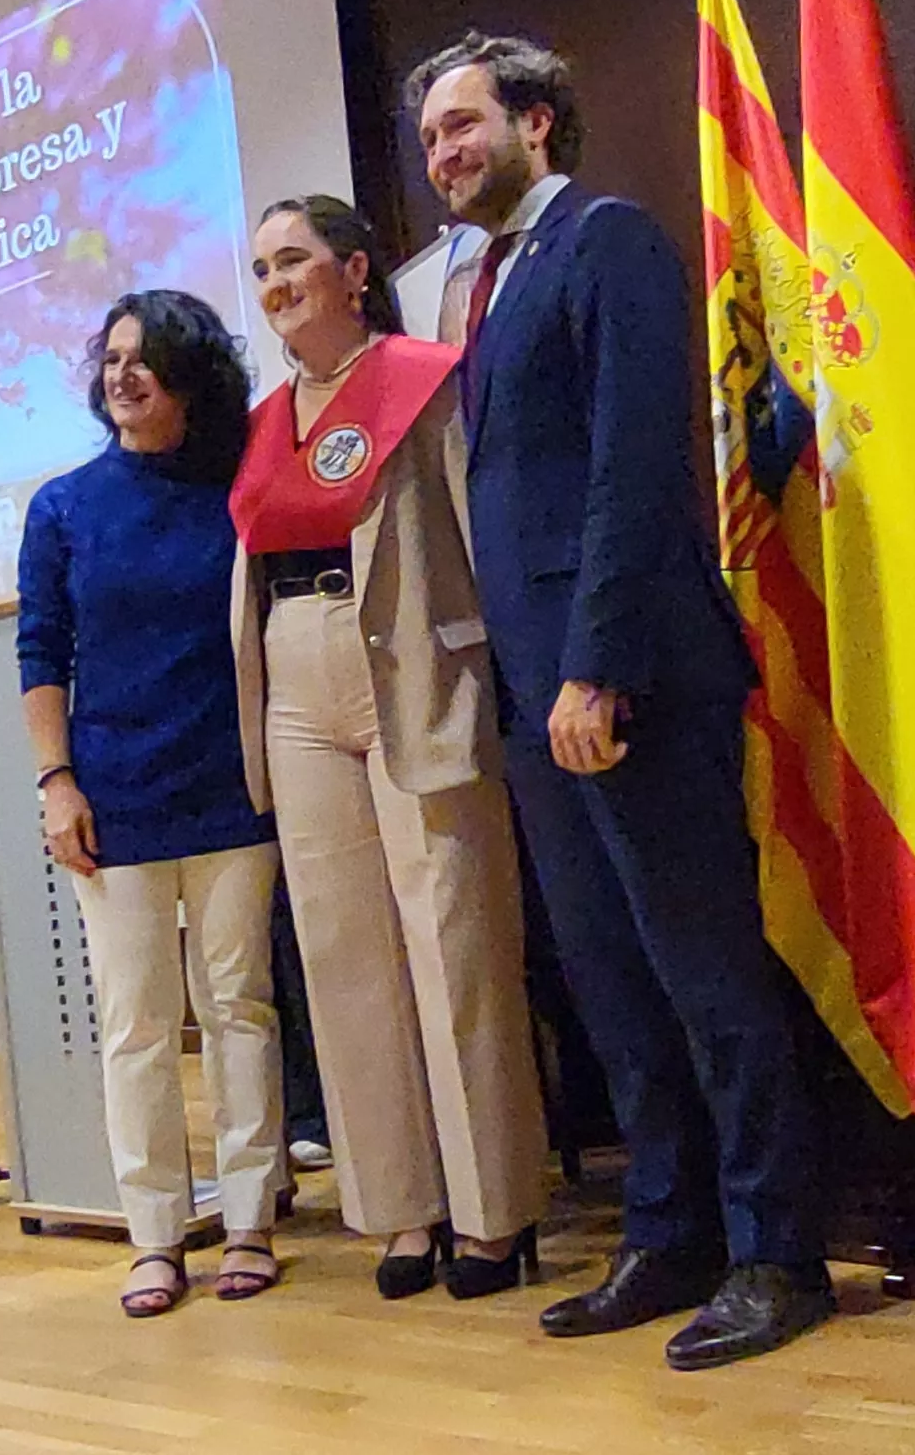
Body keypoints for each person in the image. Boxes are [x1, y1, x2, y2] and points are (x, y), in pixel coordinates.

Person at [408, 32, 828, 1368]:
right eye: (428, 140)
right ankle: (670, 1230)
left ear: (538, 119)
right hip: (543, 698)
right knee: (612, 986)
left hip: (627, 678)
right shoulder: (492, 279)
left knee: (706, 977)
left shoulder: (607, 240)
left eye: (464, 124)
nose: (443, 156)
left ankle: (778, 1254)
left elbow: (632, 475)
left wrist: (597, 667)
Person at [231, 193, 551, 1302]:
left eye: (295, 259)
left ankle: (494, 1211)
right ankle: (399, 1208)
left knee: (451, 942)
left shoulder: (423, 375)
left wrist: (505, 672)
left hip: (414, 663)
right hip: (295, 672)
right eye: (262, 266)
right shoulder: (270, 418)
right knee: (344, 954)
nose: (275, 282)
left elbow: (477, 527)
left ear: (355, 269)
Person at [18, 290, 287, 1318]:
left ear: (191, 377)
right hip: (112, 797)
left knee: (239, 1006)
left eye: (147, 359)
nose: (123, 375)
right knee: (136, 1023)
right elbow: (43, 651)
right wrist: (55, 782)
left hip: (231, 784)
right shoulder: (65, 506)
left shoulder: (239, 487)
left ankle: (253, 1218)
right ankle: (156, 1237)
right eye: (113, 358)